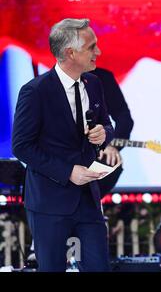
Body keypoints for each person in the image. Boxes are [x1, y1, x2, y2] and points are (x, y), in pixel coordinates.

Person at [12, 18, 114, 272]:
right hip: (49, 204)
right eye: (92, 47)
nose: (98, 52)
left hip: (88, 202)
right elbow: (22, 146)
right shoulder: (35, 91)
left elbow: (107, 125)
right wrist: (68, 171)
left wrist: (104, 133)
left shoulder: (94, 83)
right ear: (70, 52)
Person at [90, 67, 134, 197]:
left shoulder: (102, 78)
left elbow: (124, 117)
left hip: (93, 154)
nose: (97, 52)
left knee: (112, 160)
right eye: (91, 48)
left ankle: (90, 207)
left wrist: (112, 146)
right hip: (60, 158)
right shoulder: (50, 84)